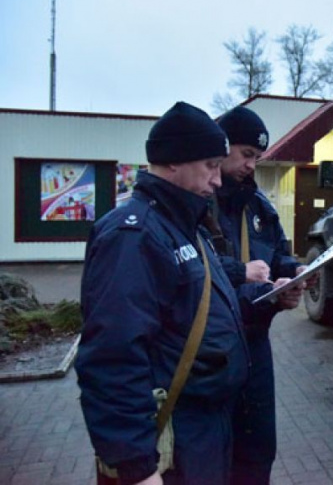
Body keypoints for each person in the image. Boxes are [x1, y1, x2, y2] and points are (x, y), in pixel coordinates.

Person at [75, 101, 250, 485]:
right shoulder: (133, 236)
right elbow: (113, 357)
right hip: (173, 440)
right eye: (210, 165)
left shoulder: (185, 225)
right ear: (173, 161)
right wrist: (137, 468)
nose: (218, 180)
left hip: (204, 431)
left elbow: (198, 311)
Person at [211, 106, 309, 485]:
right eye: (246, 154)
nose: (252, 165)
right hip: (212, 350)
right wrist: (243, 275)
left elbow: (279, 254)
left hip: (255, 345)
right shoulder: (197, 204)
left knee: (257, 449)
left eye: (258, 157)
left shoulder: (259, 207)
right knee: (213, 450)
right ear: (221, 147)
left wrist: (294, 273)